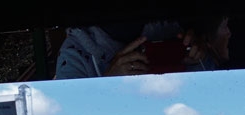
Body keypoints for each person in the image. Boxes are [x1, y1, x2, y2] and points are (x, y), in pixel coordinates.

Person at [54, 18, 231, 79]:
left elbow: (210, 98)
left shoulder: (173, 29)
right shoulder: (75, 53)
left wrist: (197, 59)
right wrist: (109, 81)